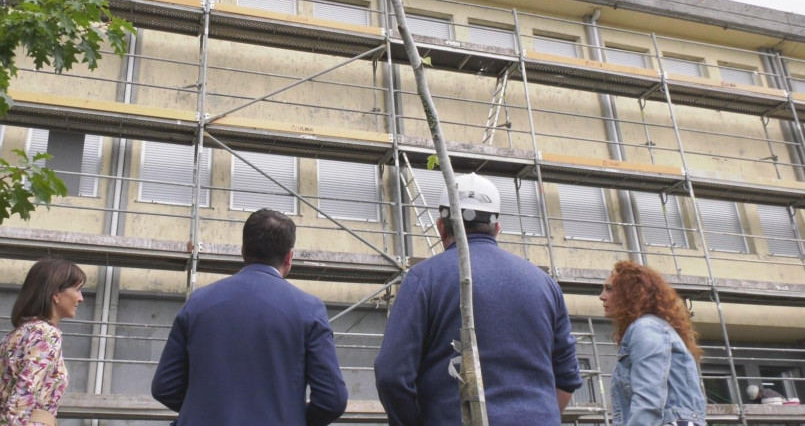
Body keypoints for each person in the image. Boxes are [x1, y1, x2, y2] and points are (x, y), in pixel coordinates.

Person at [374, 173, 582, 425]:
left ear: (441, 226)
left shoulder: (424, 280)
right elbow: (567, 378)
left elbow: (391, 375)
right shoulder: (544, 283)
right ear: (497, 227)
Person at [151, 208, 348, 426]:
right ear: (289, 257)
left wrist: (208, 412)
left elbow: (165, 387)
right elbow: (332, 400)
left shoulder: (197, 303)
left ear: (243, 251)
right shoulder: (308, 309)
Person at [0, 258, 86, 426]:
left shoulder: (12, 337)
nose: (81, 298)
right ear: (56, 293)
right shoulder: (45, 334)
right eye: (77, 289)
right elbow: (24, 393)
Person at [600, 260, 706, 426]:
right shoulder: (649, 328)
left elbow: (649, 398)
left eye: (610, 289)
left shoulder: (646, 328)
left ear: (632, 293)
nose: (602, 296)